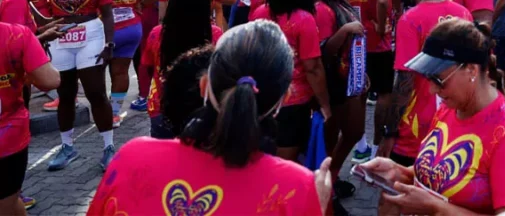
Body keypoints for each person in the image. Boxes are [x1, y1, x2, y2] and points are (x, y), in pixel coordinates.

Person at [87, 20, 330, 216]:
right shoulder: (295, 189)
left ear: (204, 87)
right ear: (283, 99)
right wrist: (314, 203)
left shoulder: (132, 157)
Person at [360, 18, 505, 214]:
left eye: (438, 79)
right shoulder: (450, 108)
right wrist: (400, 172)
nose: (433, 89)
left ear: (471, 70)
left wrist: (435, 208)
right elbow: (444, 176)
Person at [377, 0, 473, 213]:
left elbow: (405, 80)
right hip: (454, 122)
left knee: (393, 192)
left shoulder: (410, 20)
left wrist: (390, 131)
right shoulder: (462, 13)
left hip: (417, 125)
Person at [249, 0, 331, 161]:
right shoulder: (304, 19)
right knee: (286, 163)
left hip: (261, 97)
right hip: (292, 102)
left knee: (262, 160)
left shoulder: (259, 12)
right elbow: (313, 67)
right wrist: (325, 104)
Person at [45, 0, 118, 171]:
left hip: (91, 34)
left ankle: (108, 147)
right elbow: (37, 6)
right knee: (65, 94)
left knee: (95, 91)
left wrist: (109, 43)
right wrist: (43, 32)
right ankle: (67, 147)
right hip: (60, 37)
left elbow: (107, 15)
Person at [143, 0, 224, 138]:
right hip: (202, 112)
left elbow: (148, 68)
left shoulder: (157, 33)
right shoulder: (214, 34)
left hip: (162, 109)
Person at [315, 0, 366, 213]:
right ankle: (325, 185)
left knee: (354, 132)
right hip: (334, 82)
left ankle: (331, 178)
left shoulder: (341, 4)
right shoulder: (323, 9)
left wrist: (360, 70)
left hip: (350, 78)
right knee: (333, 136)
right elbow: (324, 51)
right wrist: (346, 29)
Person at [0, 22, 60, 216]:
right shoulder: (15, 34)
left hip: (9, 138)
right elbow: (50, 80)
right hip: (8, 137)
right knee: (7, 201)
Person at [348, 0, 395, 163]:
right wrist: (378, 25)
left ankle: (361, 146)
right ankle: (377, 147)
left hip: (356, 40)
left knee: (359, 92)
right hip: (378, 43)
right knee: (385, 92)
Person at [101, 0, 159, 128]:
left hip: (105, 30)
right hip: (132, 29)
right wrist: (142, 3)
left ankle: (102, 110)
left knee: (97, 73)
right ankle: (115, 114)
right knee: (121, 72)